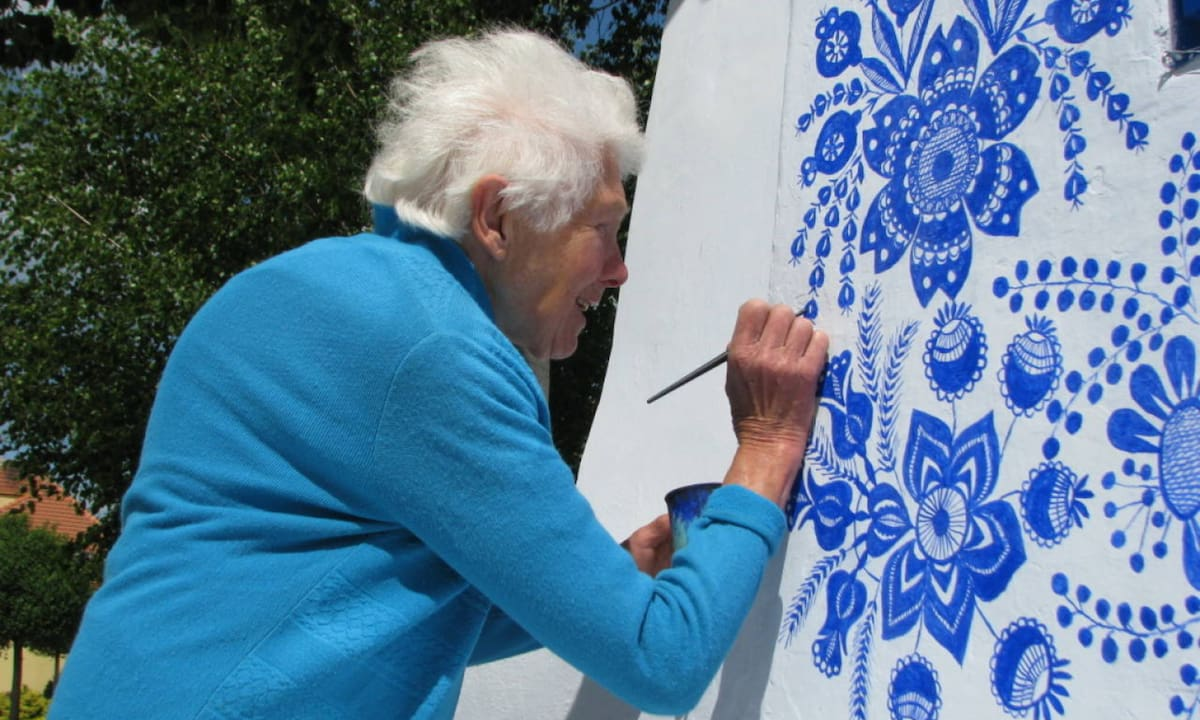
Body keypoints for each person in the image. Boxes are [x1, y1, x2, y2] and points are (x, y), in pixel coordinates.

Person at [49, 29, 828, 719]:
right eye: (601, 228)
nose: (620, 271)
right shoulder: (432, 347)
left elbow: (386, 615)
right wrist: (763, 448)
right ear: (497, 219)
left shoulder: (315, 291)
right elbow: (662, 663)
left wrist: (612, 576)